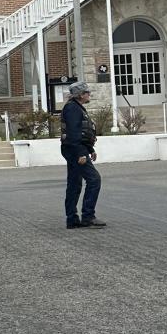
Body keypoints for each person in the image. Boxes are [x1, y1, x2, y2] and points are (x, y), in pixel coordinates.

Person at [60, 82, 105, 229]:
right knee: (94, 179)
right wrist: (81, 153)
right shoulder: (73, 108)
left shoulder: (76, 107)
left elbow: (83, 132)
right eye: (87, 92)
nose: (89, 94)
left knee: (74, 184)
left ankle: (72, 219)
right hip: (75, 150)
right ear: (80, 95)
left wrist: (90, 149)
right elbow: (74, 133)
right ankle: (88, 216)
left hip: (74, 149)